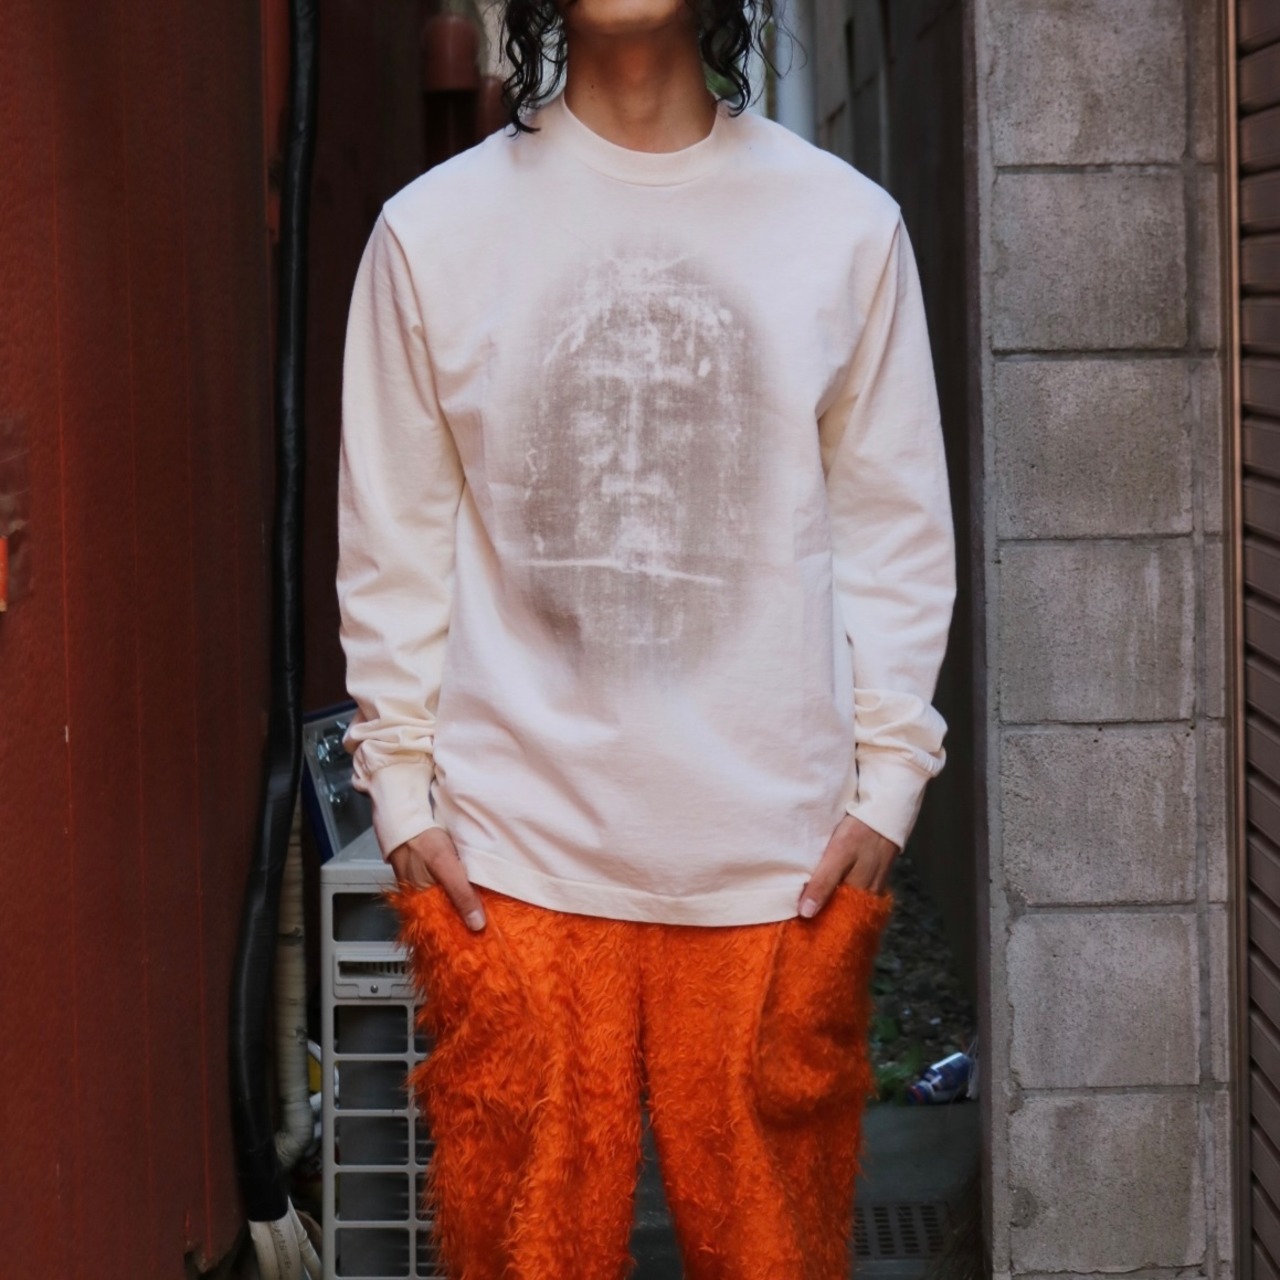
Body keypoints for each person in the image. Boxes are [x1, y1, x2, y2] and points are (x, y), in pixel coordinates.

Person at [334, 0, 956, 1272]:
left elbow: (892, 531)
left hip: (777, 862)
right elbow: (394, 538)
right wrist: (398, 793)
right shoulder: (432, 232)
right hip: (512, 863)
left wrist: (888, 785)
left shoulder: (843, 225)